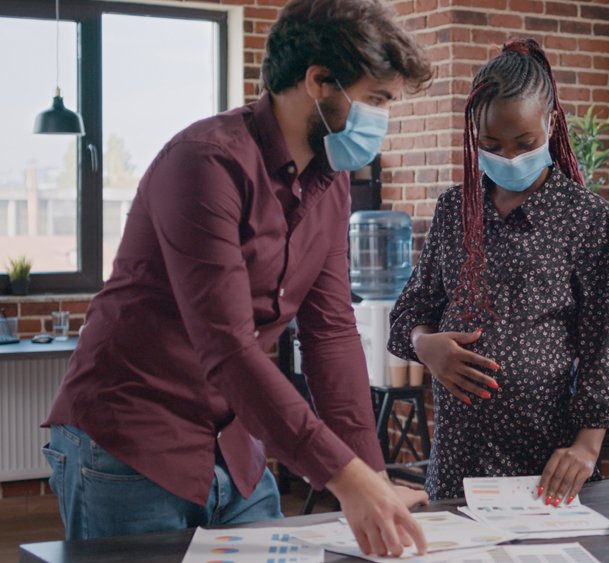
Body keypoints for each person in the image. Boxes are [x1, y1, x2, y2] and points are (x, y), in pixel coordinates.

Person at [41, 0, 432, 556]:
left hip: (235, 444)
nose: (383, 120)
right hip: (130, 438)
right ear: (318, 81)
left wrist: (369, 475)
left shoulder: (332, 181)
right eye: (376, 100)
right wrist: (345, 478)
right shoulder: (205, 163)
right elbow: (228, 347)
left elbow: (332, 335)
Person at [388, 38, 609, 506]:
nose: (510, 157)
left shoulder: (587, 218)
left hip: (548, 464)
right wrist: (425, 344)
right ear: (472, 136)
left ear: (552, 123)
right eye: (491, 145)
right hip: (459, 462)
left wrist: (587, 446)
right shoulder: (453, 211)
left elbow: (607, 344)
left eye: (525, 143)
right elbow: (411, 310)